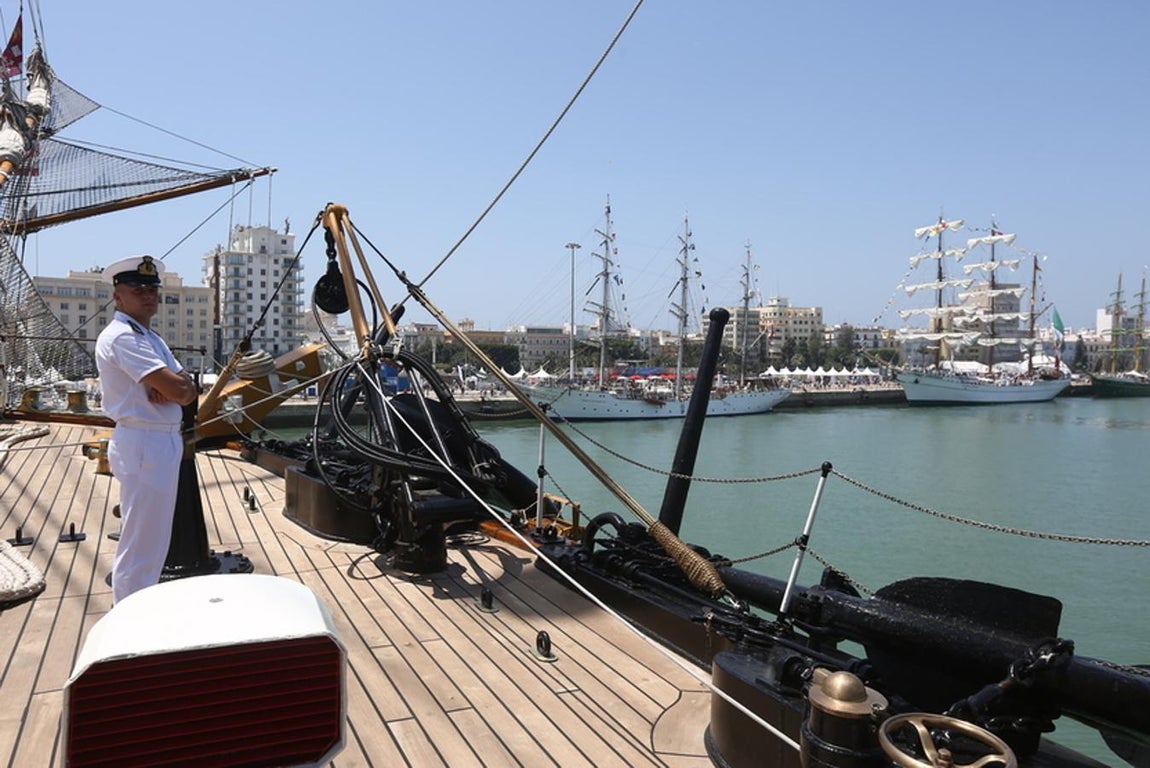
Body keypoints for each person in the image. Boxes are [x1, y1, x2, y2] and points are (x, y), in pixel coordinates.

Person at [95, 255, 198, 604]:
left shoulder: (150, 338)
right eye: (138, 289)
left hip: (157, 442)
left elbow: (184, 386)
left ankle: (141, 609)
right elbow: (183, 391)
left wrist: (173, 386)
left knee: (154, 540)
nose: (148, 295)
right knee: (141, 544)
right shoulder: (124, 337)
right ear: (118, 296)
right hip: (144, 443)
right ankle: (128, 621)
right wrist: (174, 387)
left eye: (152, 288)